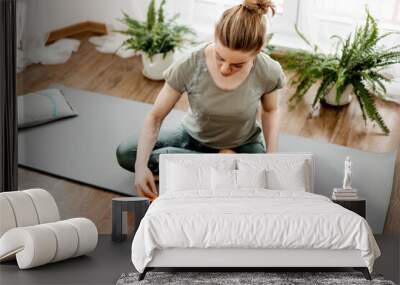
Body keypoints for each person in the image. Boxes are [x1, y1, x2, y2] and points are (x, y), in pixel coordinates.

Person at [116, 0, 286, 200]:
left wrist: (272, 158)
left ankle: (195, 168)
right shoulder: (190, 63)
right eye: (220, 57)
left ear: (257, 52)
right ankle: (220, 164)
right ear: (215, 33)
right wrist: (140, 167)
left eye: (237, 65)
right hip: (192, 137)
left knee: (257, 180)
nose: (225, 69)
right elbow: (155, 116)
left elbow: (271, 111)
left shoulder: (268, 70)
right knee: (127, 153)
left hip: (243, 144)